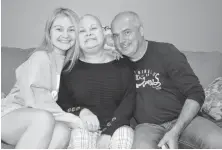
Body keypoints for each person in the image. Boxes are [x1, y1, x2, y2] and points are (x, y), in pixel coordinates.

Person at [111, 11, 222, 149]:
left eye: (127, 32)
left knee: (218, 141)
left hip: (184, 120)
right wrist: (104, 54)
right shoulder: (117, 64)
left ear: (141, 30)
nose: (121, 40)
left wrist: (175, 131)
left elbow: (196, 93)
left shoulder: (166, 52)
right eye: (115, 36)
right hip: (147, 127)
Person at [1, 7, 83, 149]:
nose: (65, 35)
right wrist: (75, 121)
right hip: (10, 115)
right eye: (59, 29)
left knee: (62, 131)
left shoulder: (70, 65)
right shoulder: (41, 57)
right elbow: (39, 102)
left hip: (38, 120)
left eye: (71, 30)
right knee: (43, 118)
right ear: (49, 33)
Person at [57, 14, 135, 149]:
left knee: (125, 134)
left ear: (104, 32)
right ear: (76, 38)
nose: (88, 34)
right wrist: (81, 111)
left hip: (117, 127)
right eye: (82, 31)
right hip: (82, 126)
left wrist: (108, 132)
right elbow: (63, 103)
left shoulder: (123, 64)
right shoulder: (68, 69)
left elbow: (129, 103)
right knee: (79, 137)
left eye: (93, 28)